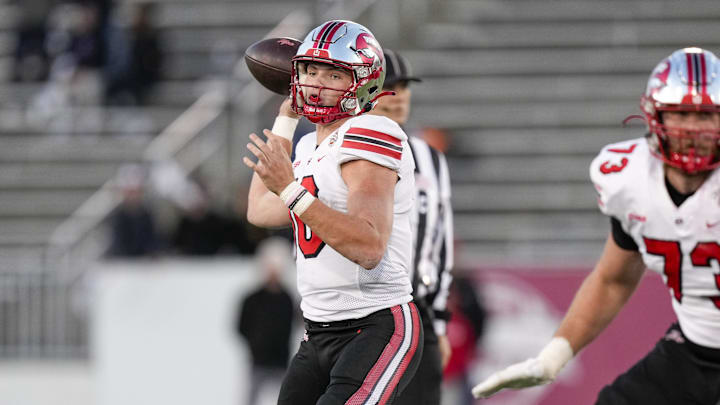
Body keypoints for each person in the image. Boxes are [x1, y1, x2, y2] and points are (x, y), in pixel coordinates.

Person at [472, 47, 720, 404]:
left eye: (705, 116)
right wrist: (555, 354)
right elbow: (613, 279)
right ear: (655, 117)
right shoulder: (631, 179)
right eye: (682, 114)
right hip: (694, 348)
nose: (694, 129)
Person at [243, 20, 423, 404]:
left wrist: (290, 189)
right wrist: (285, 119)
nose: (316, 83)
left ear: (364, 82)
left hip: (375, 325)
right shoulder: (308, 145)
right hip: (316, 334)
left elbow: (369, 246)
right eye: (309, 70)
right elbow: (260, 210)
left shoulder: (372, 130)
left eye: (333, 73)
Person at [369, 49, 455, 405]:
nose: (400, 94)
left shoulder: (429, 156)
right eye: (391, 86)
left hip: (417, 311)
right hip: (367, 311)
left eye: (405, 86)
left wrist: (438, 323)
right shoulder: (346, 147)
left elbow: (440, 240)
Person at [236, 237, 296, 405]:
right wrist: (256, 345)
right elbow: (241, 327)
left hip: (282, 360)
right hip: (259, 361)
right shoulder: (252, 299)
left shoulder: (287, 298)